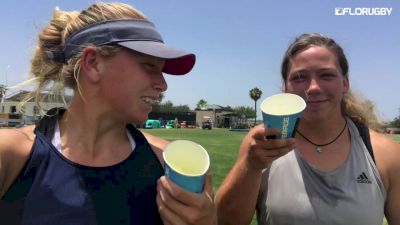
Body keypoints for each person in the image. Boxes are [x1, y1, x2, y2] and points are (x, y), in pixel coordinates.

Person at [0, 3, 216, 225]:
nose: (163, 85)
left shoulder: (166, 163)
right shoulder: (10, 156)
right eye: (149, 66)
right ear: (93, 63)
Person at [216, 33, 400, 225]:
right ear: (286, 87)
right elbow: (224, 221)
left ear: (344, 83)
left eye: (326, 75)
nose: (313, 87)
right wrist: (250, 165)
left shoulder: (386, 154)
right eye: (300, 77)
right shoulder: (262, 145)